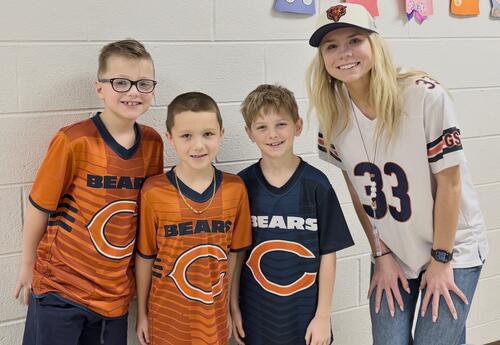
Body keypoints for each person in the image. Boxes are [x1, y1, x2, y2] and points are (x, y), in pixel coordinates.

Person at [306, 3, 488, 345]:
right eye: (331, 46)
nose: (343, 53)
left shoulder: (424, 95)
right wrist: (381, 255)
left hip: (453, 246)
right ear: (323, 58)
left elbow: (450, 184)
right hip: (394, 250)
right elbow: (360, 194)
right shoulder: (334, 115)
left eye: (354, 40)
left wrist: (441, 259)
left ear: (375, 43)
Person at [13, 39, 164, 345]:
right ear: (100, 88)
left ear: (152, 90)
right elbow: (39, 207)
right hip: (61, 286)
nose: (133, 91)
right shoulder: (74, 140)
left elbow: (149, 214)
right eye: (120, 82)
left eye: (143, 84)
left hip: (114, 297)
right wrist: (27, 265)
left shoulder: (152, 143)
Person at [230, 84, 354, 345]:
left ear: (297, 126)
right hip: (256, 315)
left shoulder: (316, 184)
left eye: (281, 124)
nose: (272, 134)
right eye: (261, 127)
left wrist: (323, 317)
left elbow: (328, 254)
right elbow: (237, 254)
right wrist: (233, 307)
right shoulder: (242, 186)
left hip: (305, 317)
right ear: (249, 133)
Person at [135, 92, 252, 345]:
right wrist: (142, 314)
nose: (198, 146)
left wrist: (231, 307)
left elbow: (234, 255)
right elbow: (145, 257)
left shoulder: (235, 188)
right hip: (166, 317)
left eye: (208, 134)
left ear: (221, 133)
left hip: (214, 319)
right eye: (186, 136)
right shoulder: (154, 191)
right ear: (170, 138)